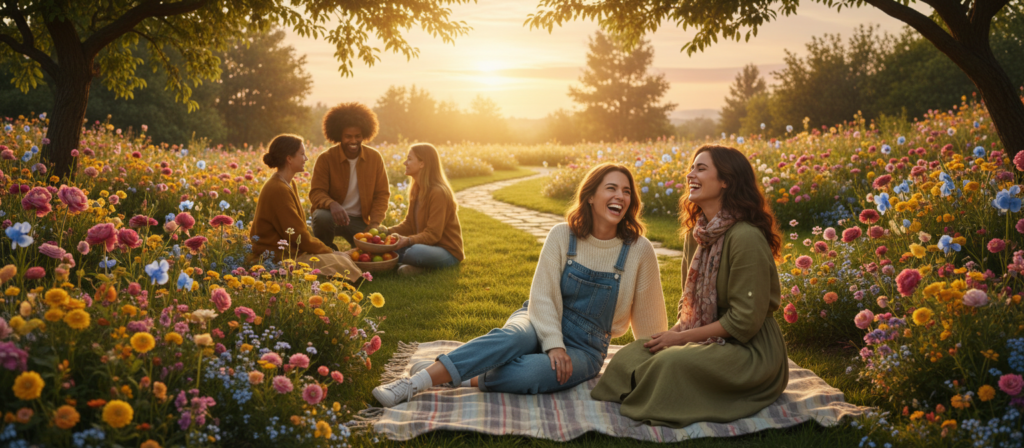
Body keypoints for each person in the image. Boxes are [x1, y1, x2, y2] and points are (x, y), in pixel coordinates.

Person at [372, 162, 668, 407]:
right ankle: (414, 383)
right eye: (612, 188)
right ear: (590, 196)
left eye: (626, 191)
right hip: (540, 317)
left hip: (585, 347)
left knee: (532, 373)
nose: (620, 196)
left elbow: (650, 326)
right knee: (512, 339)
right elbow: (542, 296)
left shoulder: (638, 250)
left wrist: (653, 365)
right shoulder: (562, 235)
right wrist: (554, 344)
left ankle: (459, 374)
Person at [591, 145, 789, 427]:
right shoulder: (697, 234)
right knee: (632, 355)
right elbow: (691, 302)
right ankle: (649, 388)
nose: (690, 174)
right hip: (704, 332)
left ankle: (655, 393)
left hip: (749, 349)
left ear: (726, 180)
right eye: (692, 167)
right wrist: (672, 334)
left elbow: (744, 322)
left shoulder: (746, 237)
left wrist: (681, 339)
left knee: (670, 363)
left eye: (701, 168)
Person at [249, 134, 361, 282]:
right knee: (341, 263)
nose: (306, 158)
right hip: (276, 257)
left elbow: (298, 233)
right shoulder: (278, 189)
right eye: (302, 154)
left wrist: (331, 253)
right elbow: (299, 237)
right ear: (289, 159)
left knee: (341, 260)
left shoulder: (288, 183)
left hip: (292, 251)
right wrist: (331, 252)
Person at [309, 103, 391, 250]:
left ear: (364, 135)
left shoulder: (374, 158)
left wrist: (374, 224)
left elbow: (382, 194)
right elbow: (316, 192)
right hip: (332, 216)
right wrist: (332, 204)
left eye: (357, 136)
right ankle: (327, 250)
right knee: (322, 216)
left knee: (370, 252)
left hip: (359, 220)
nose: (353, 141)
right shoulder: (326, 159)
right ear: (339, 136)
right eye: (348, 136)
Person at [386, 143, 464, 276]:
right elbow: (409, 224)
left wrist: (408, 241)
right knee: (387, 246)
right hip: (427, 246)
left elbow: (433, 235)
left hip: (447, 251)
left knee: (415, 252)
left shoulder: (438, 192)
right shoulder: (416, 190)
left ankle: (418, 265)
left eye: (409, 159)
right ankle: (417, 267)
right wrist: (386, 232)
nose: (405, 163)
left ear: (422, 164)